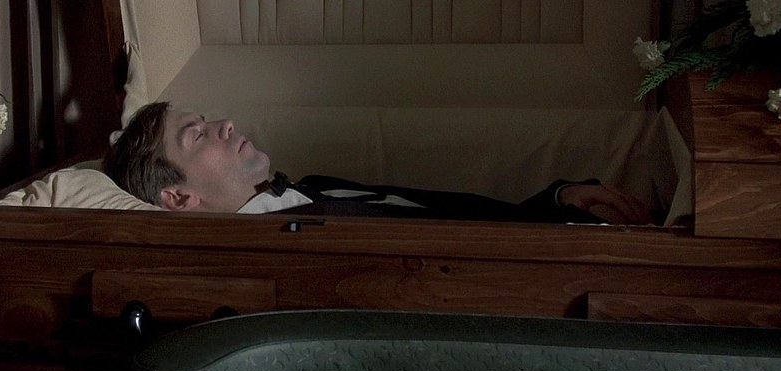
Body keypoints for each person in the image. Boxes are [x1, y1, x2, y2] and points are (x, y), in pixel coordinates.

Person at [104, 102, 653, 224]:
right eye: (197, 134)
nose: (225, 124)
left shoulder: (312, 187)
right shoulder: (284, 249)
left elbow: (446, 220)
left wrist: (554, 202)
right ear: (177, 196)